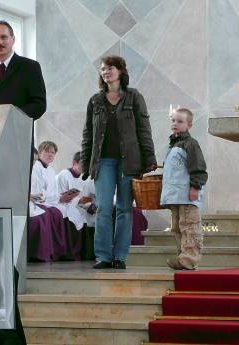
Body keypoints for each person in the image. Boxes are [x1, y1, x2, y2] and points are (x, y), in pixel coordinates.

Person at [80, 55, 157, 270]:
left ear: (121, 71)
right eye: (103, 69)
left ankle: (120, 256)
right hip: (102, 161)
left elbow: (144, 130)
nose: (106, 72)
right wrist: (86, 164)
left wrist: (149, 159)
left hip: (129, 162)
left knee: (124, 208)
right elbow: (88, 134)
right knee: (104, 208)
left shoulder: (134, 97)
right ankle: (103, 256)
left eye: (110, 68)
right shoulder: (95, 100)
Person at [161, 108, 207, 270]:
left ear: (189, 125)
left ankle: (189, 259)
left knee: (190, 226)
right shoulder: (173, 145)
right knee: (178, 227)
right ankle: (182, 256)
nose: (175, 123)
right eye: (173, 120)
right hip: (175, 197)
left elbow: (198, 167)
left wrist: (195, 187)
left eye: (180, 121)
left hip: (187, 195)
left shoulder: (190, 144)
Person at [29, 141, 69, 260]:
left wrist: (60, 197)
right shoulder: (35, 167)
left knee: (62, 212)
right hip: (39, 201)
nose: (50, 154)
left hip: (50, 201)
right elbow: (37, 190)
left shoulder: (51, 170)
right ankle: (46, 252)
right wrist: (57, 198)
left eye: (53, 152)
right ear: (40, 152)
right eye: (47, 151)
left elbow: (53, 191)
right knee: (51, 214)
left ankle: (58, 252)